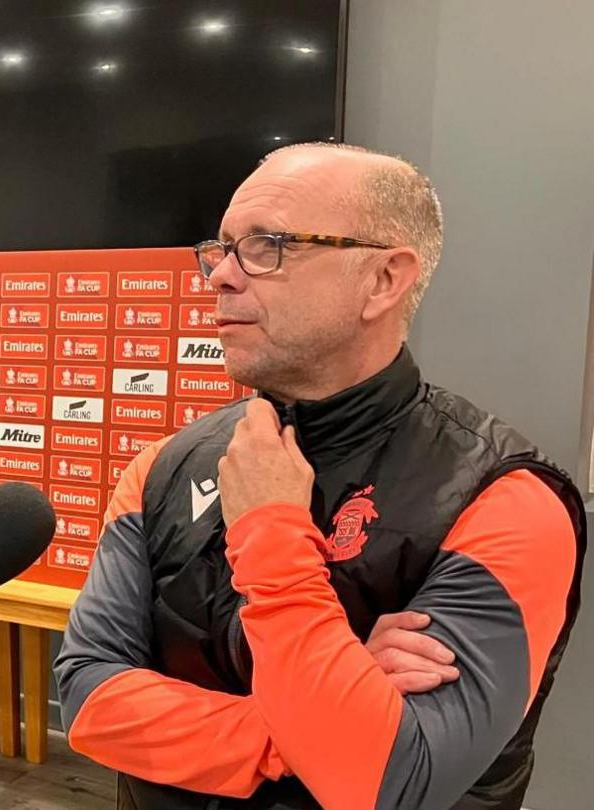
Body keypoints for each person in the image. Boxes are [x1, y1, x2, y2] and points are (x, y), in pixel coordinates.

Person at [54, 143, 585, 809]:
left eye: (268, 245)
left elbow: (393, 781)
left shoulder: (508, 498)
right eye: (220, 248)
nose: (221, 276)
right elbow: (88, 698)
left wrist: (270, 531)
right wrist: (320, 715)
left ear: (384, 280)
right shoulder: (161, 469)